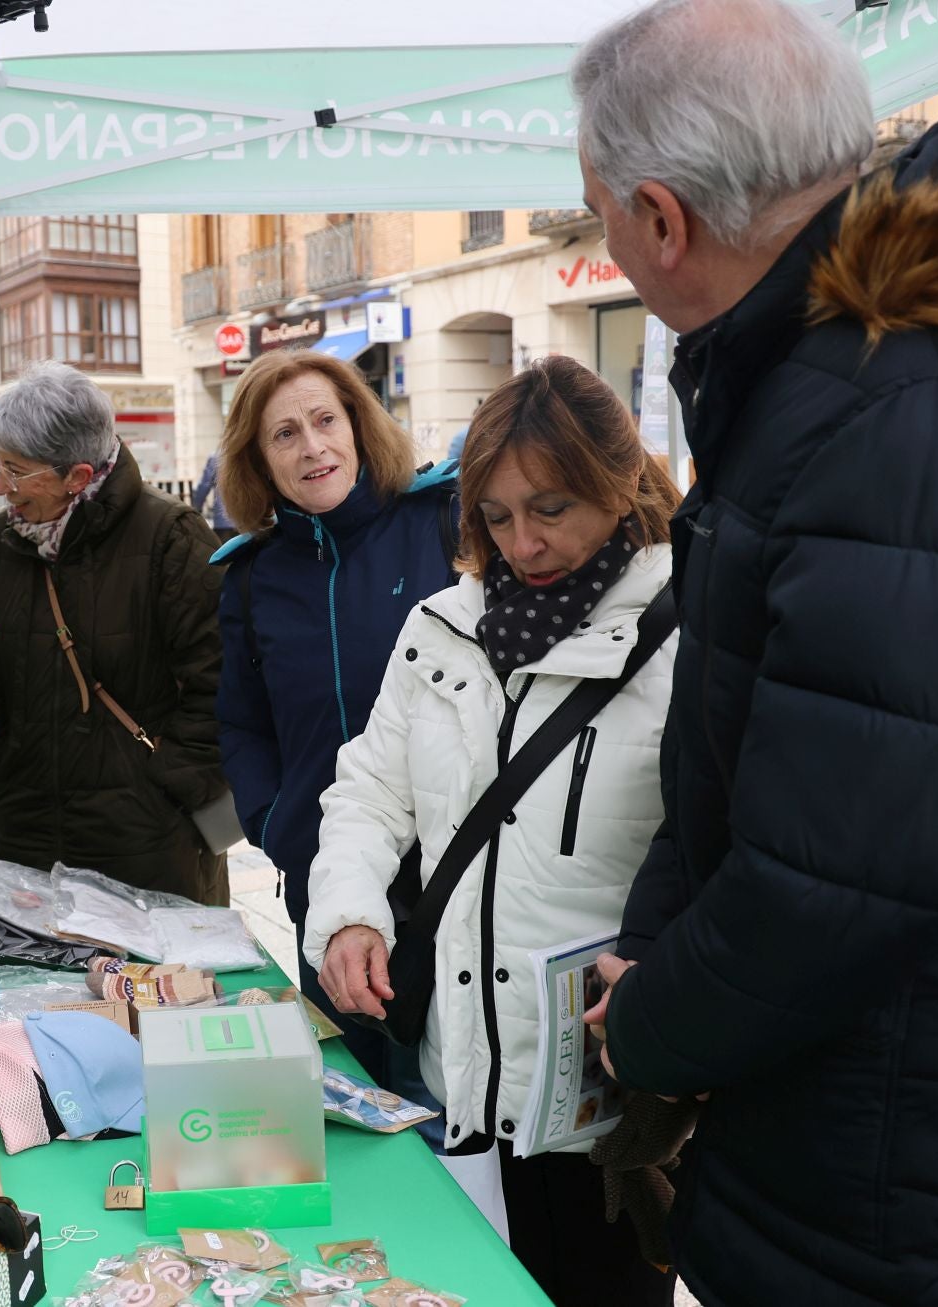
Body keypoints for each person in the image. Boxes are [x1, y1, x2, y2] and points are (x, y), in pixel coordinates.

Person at [569, 3, 938, 1305]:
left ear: (659, 217)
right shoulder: (849, 364)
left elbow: (857, 861)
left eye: (595, 210)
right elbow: (764, 734)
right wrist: (659, 938)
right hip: (904, 1129)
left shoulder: (920, 395)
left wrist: (652, 1022)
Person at [305, 358, 681, 1307]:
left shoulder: (686, 632)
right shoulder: (443, 625)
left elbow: (723, 845)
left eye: (551, 508)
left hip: (609, 1097)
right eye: (499, 515)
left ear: (618, 481)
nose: (525, 541)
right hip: (466, 1073)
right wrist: (349, 910)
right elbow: (369, 789)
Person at [211, 348, 461, 1086]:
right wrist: (274, 821)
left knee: (447, 1101)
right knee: (353, 1096)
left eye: (325, 420)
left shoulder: (437, 526)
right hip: (323, 881)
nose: (312, 445)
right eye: (284, 433)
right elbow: (241, 722)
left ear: (358, 425)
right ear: (259, 459)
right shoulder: (252, 577)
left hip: (446, 879)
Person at [0, 361, 230, 904]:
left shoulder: (172, 538)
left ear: (77, 476)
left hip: (147, 843)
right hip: (28, 834)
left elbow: (220, 687)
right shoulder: (7, 539)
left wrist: (167, 789)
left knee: (152, 987)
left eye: (15, 469)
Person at [188, 449, 237, 543]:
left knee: (226, 555)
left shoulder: (217, 457)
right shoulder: (249, 454)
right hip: (249, 521)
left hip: (224, 520)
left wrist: (196, 509)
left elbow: (204, 486)